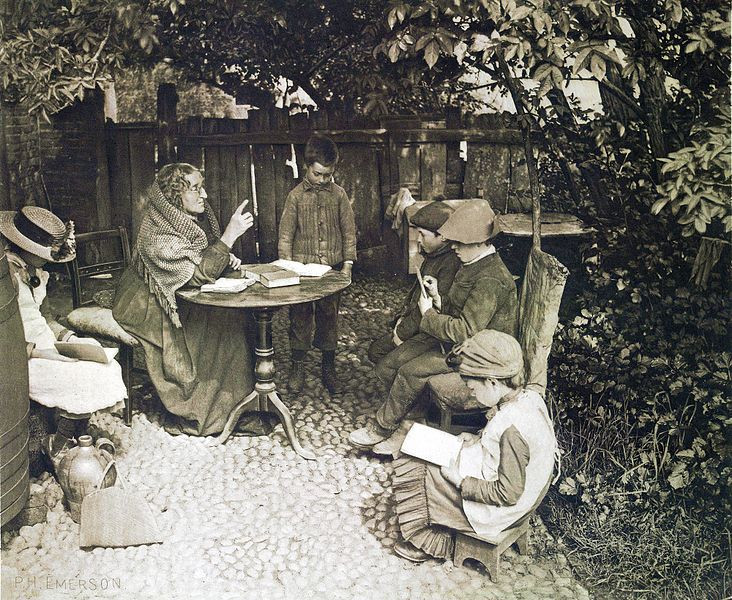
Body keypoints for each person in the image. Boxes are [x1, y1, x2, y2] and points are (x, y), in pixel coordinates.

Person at [349, 199, 518, 449]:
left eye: (459, 242)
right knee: (391, 364)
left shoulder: (490, 278)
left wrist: (428, 315)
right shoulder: (473, 263)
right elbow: (460, 312)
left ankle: (386, 427)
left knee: (410, 371)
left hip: (481, 357)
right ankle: (410, 422)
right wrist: (439, 299)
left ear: (479, 242)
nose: (453, 247)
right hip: (456, 345)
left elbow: (465, 332)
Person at [112, 162, 256, 436]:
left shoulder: (185, 221)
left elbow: (200, 260)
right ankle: (206, 411)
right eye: (196, 189)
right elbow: (198, 274)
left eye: (202, 187)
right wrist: (228, 237)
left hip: (176, 292)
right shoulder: (157, 234)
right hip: (149, 303)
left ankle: (238, 403)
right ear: (175, 195)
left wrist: (225, 258)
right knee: (211, 330)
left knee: (233, 319)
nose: (205, 195)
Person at [390, 329, 558, 562]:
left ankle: (430, 540)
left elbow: (508, 494)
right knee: (427, 445)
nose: (472, 394)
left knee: (422, 468)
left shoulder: (512, 431)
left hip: (503, 509)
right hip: (513, 484)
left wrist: (460, 481)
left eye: (472, 389)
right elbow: (507, 443)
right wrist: (478, 437)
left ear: (492, 382)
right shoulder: (527, 398)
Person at [0, 206, 128, 463]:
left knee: (104, 364)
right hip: (19, 356)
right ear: (25, 246)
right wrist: (42, 352)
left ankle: (75, 433)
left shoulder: (35, 272)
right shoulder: (6, 277)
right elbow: (5, 336)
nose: (48, 260)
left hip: (47, 345)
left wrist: (68, 338)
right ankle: (58, 443)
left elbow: (45, 317)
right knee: (78, 378)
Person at [278, 134, 357, 395]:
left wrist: (347, 265)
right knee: (299, 318)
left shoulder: (339, 195)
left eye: (328, 175)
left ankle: (328, 366)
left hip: (331, 271)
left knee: (329, 317)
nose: (322, 180)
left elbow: (348, 232)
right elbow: (286, 235)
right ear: (306, 167)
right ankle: (298, 365)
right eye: (317, 174)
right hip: (302, 273)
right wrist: (287, 267)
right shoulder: (295, 197)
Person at [367, 201, 460, 365]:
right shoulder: (434, 255)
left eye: (423, 235)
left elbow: (430, 308)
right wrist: (401, 319)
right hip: (418, 325)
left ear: (443, 237)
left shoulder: (450, 264)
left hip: (430, 332)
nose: (418, 239)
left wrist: (401, 334)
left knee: (378, 353)